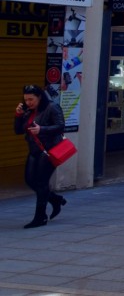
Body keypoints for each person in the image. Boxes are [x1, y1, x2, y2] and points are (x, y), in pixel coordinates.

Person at [13, 85, 67, 228]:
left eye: (31, 99)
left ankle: (40, 217)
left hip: (49, 149)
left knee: (42, 182)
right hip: (34, 149)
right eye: (26, 100)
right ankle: (55, 199)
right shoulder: (28, 111)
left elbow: (61, 126)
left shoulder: (52, 107)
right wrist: (18, 115)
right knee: (30, 180)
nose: (28, 102)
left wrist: (41, 129)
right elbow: (18, 131)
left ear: (40, 97)